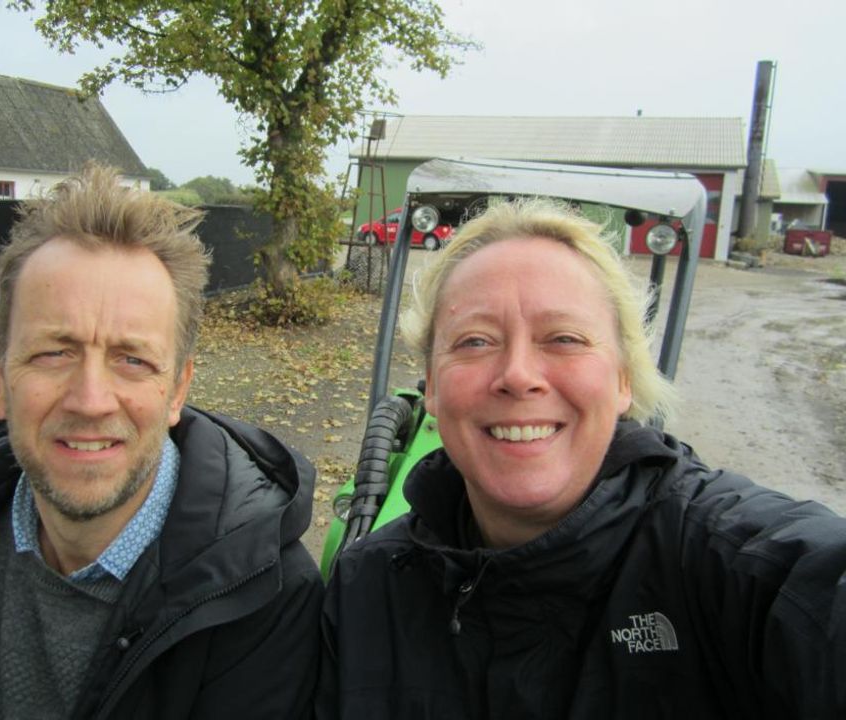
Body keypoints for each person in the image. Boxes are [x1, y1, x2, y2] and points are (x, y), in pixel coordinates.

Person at [317, 198, 846, 719]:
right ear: (431, 387)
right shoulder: (364, 588)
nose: (519, 374)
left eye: (565, 338)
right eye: (475, 341)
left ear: (622, 380)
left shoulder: (734, 567)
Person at [0, 165, 323, 719]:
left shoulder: (265, 601)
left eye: (132, 359)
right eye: (53, 352)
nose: (91, 400)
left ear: (176, 392)